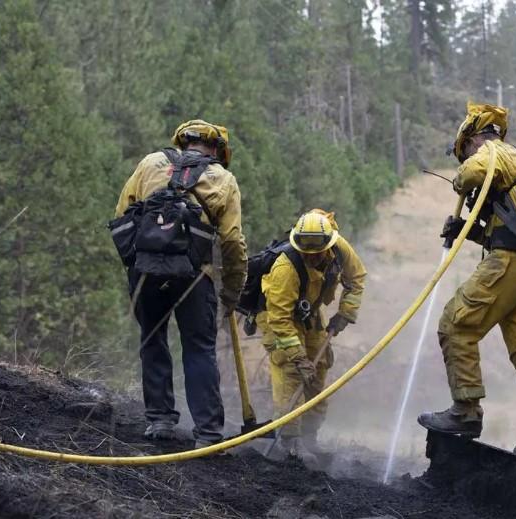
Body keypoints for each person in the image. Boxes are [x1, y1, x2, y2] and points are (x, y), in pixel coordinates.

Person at [418, 102, 516, 462]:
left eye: (462, 150)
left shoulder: (493, 153)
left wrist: (459, 177)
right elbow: (510, 230)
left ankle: (465, 411)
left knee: (456, 324)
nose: (462, 157)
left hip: (509, 265)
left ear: (471, 139)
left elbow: (470, 175)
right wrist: (468, 233)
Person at [114, 120, 247, 445]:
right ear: (218, 150)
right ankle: (208, 432)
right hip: (195, 277)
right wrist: (232, 290)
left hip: (145, 271)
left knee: (153, 339)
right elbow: (231, 241)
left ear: (181, 142)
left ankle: (159, 420)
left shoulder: (149, 163)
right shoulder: (223, 179)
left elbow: (122, 213)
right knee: (199, 350)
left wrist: (135, 267)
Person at [259, 210, 366, 461]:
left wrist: (345, 313)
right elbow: (280, 320)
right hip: (279, 319)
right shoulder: (285, 268)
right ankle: (290, 441)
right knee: (292, 373)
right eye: (306, 253)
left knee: (317, 375)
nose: (312, 257)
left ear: (327, 244)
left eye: (317, 252)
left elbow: (356, 278)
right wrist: (298, 357)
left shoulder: (339, 249)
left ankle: (309, 437)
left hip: (310, 314)